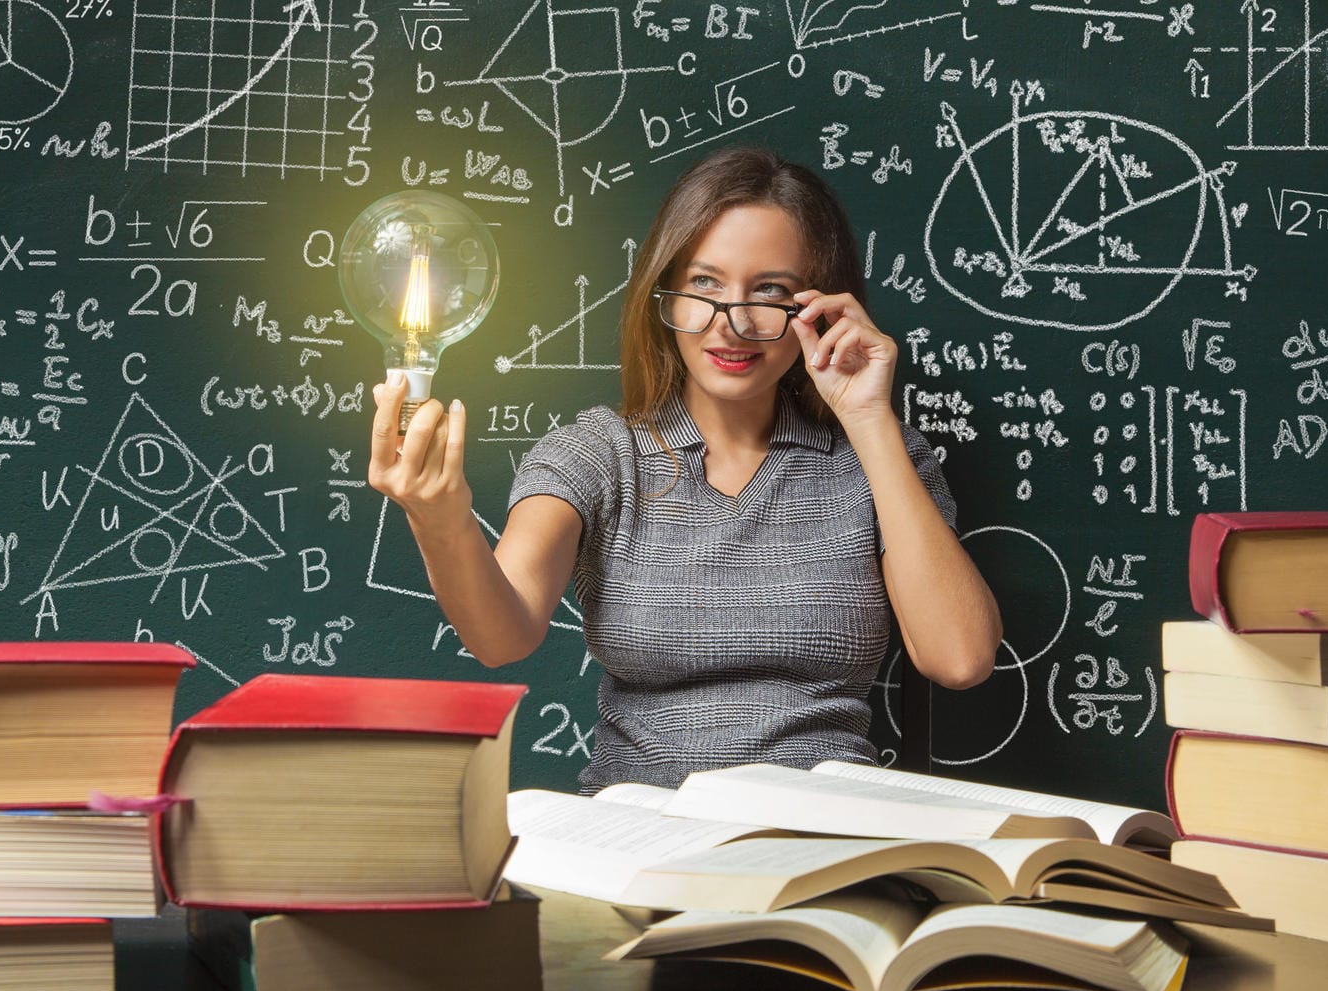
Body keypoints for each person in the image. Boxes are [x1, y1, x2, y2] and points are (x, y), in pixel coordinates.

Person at [365, 146, 1001, 792]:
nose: (734, 324)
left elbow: (960, 657)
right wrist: (439, 517)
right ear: (661, 294)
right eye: (704, 284)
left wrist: (869, 420)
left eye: (771, 290)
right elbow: (503, 633)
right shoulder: (597, 456)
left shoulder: (878, 459)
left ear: (822, 307)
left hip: (820, 844)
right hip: (638, 841)